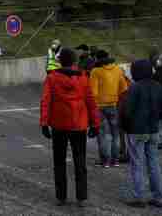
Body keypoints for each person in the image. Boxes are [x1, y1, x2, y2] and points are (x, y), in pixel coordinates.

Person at [40, 48, 99, 207]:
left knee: (59, 161)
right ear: (74, 61)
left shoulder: (52, 78)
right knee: (80, 162)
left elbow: (46, 101)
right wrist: (95, 123)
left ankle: (61, 196)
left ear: (60, 61)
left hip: (59, 124)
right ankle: (81, 197)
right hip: (79, 124)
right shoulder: (83, 77)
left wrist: (44, 123)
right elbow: (90, 101)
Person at [123, 59, 162, 209]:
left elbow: (127, 111)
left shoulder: (134, 88)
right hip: (153, 129)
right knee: (154, 163)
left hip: (136, 130)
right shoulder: (158, 86)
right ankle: (159, 197)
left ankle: (139, 196)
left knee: (137, 164)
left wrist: (125, 127)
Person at [89, 49, 127, 168]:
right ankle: (115, 160)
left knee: (102, 134)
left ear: (97, 59)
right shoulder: (117, 69)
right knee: (115, 134)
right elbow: (123, 88)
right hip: (113, 105)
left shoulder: (95, 71)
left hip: (99, 106)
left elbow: (93, 92)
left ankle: (105, 161)